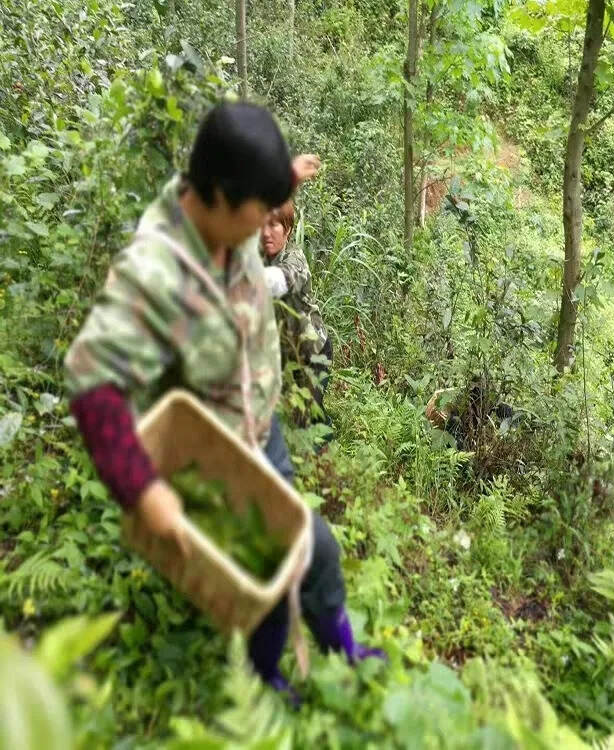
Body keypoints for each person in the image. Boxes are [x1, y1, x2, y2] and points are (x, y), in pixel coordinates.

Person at [64, 102, 382, 702]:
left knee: (309, 555)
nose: (266, 228)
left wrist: (287, 173)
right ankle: (266, 681)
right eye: (257, 211)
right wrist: (142, 489)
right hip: (217, 453)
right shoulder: (156, 272)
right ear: (220, 198)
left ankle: (341, 645)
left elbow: (253, 181)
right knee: (284, 562)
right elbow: (93, 381)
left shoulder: (225, 197)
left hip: (262, 424)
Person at [261, 200, 332, 428]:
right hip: (285, 355)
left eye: (274, 225)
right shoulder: (260, 257)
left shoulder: (295, 259)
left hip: (313, 353)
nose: (266, 233)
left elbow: (279, 281)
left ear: (288, 229)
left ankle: (326, 457)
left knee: (309, 421)